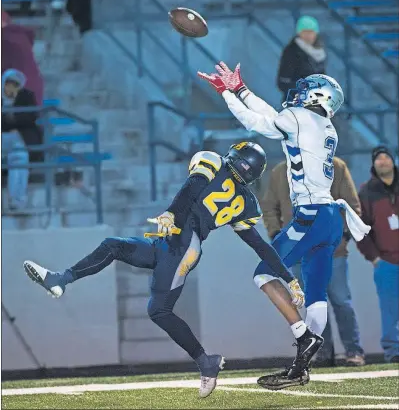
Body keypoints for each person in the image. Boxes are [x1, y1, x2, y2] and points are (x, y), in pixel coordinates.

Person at [24, 142, 314, 398]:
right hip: (178, 241)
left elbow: (191, 188)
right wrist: (289, 278)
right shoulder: (246, 203)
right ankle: (59, 279)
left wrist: (171, 213)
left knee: (158, 309)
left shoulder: (212, 162)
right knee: (113, 246)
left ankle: (206, 362)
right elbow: (260, 245)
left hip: (183, 243)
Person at [198, 63, 370, 389]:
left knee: (263, 274)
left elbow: (256, 122)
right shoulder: (323, 125)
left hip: (311, 215)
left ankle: (303, 336)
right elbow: (272, 118)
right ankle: (301, 368)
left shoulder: (302, 118)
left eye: (306, 90)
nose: (299, 95)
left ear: (318, 96)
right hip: (331, 217)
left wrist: (227, 93)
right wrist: (241, 89)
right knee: (316, 297)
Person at [262, 158, 365, 367]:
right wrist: (276, 234)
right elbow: (268, 207)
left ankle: (354, 351)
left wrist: (343, 235)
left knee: (341, 301)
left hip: (332, 251)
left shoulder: (336, 166)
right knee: (313, 304)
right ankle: (323, 354)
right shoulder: (280, 171)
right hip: (299, 252)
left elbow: (351, 204)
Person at [357, 146, 399, 364]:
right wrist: (374, 258)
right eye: (378, 159)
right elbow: (360, 230)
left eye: (386, 157)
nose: (383, 161)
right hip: (387, 263)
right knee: (390, 311)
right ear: (373, 165)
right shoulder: (366, 192)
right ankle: (394, 352)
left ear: (393, 161)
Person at [1, 69, 40, 209]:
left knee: (20, 156)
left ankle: (16, 200)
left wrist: (11, 117)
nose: (11, 87)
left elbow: (31, 117)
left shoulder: (26, 97)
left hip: (18, 139)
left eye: (16, 84)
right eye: (9, 83)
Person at [277, 15, 326, 102]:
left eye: (311, 32)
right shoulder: (291, 52)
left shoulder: (320, 53)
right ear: (299, 33)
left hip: (317, 102)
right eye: (305, 32)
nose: (308, 35)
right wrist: (303, 91)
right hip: (296, 102)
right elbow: (283, 82)